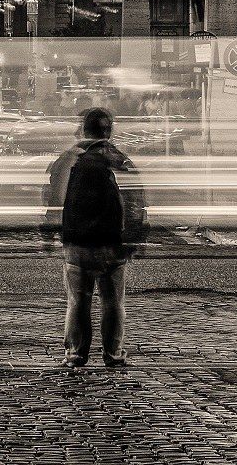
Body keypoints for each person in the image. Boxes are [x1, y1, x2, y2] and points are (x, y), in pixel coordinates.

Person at [42, 107, 148, 370]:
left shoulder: (67, 160)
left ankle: (76, 355)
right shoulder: (119, 160)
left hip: (76, 243)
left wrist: (49, 233)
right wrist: (134, 237)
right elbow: (135, 201)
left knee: (77, 303)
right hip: (111, 242)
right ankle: (113, 355)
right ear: (108, 131)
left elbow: (53, 201)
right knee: (113, 303)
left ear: (83, 129)